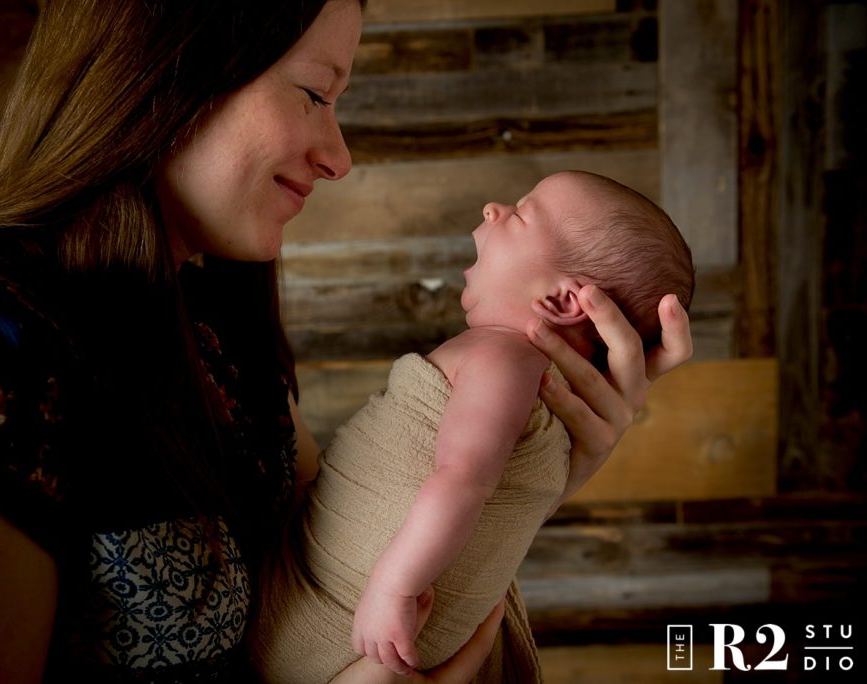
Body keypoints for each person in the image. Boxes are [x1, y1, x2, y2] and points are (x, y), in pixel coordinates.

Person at [0, 1, 693, 682]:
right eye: (316, 94)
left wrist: (541, 470)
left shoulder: (209, 316)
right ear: (168, 75)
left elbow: (364, 541)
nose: (338, 157)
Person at [247, 171, 694, 683]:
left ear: (562, 301)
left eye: (522, 214)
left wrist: (395, 587)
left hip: (353, 627)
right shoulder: (529, 386)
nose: (491, 208)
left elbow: (462, 478)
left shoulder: (504, 360)